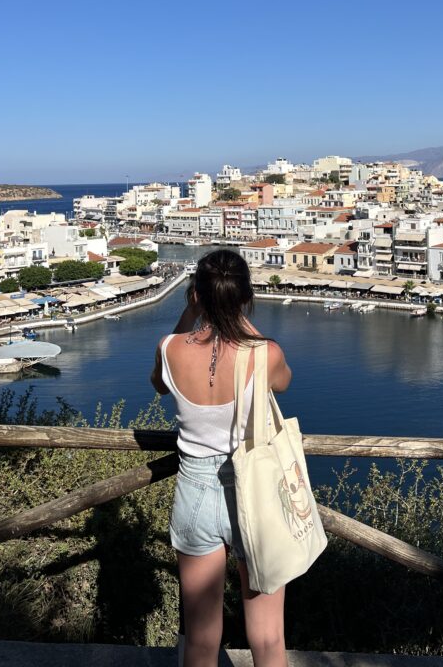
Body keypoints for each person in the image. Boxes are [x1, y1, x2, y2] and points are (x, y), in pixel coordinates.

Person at [151, 249, 292, 667]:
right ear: (245, 297)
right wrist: (239, 316)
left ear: (196, 295)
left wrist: (191, 313)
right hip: (254, 492)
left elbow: (159, 384)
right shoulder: (266, 353)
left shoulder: (169, 349)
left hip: (194, 490)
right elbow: (283, 383)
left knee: (199, 639)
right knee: (268, 638)